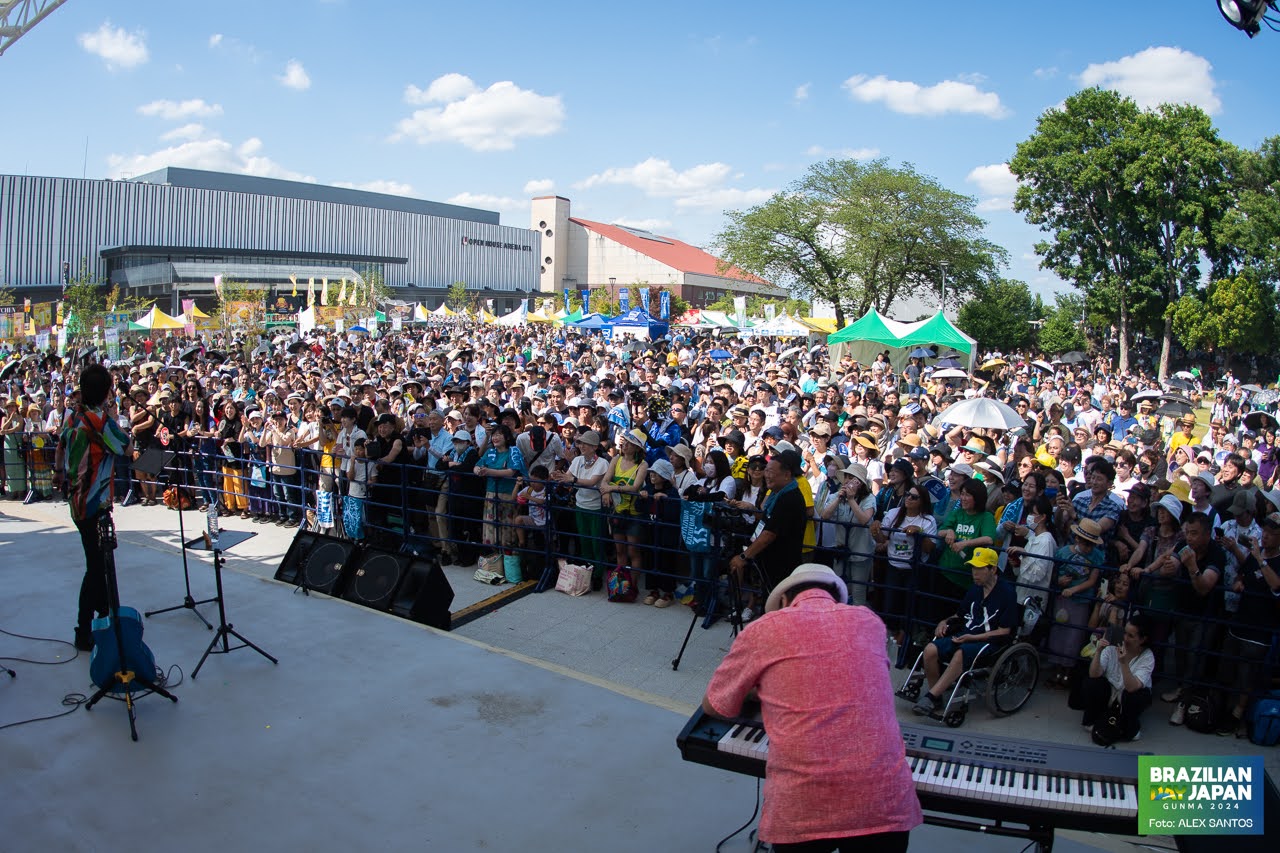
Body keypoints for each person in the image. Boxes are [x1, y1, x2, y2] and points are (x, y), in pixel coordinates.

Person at [702, 564, 921, 852]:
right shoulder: (870, 622)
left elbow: (715, 705)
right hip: (885, 801)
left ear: (783, 602)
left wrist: (761, 690)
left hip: (803, 807)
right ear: (836, 597)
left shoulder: (764, 629)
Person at [52, 364, 131, 651]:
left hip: (76, 501)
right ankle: (84, 628)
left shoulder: (73, 417)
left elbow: (61, 448)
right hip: (94, 503)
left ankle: (101, 616)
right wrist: (113, 418)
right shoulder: (99, 421)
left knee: (97, 563)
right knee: (97, 568)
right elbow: (125, 446)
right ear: (107, 391)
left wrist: (59, 473)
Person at [912, 548, 1020, 717]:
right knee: (930, 650)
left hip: (988, 642)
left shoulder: (1007, 593)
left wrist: (973, 637)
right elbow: (959, 615)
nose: (974, 573)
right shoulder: (974, 589)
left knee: (961, 654)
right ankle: (936, 695)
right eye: (973, 569)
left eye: (979, 569)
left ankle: (931, 697)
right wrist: (944, 622)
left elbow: (1005, 630)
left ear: (992, 569)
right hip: (965, 634)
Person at [728, 450, 808, 595]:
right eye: (767, 471)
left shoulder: (789, 498)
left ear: (787, 474)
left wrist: (743, 556)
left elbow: (769, 534)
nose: (766, 475)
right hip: (768, 564)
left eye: (770, 471)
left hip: (782, 566)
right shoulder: (777, 494)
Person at [1080, 613, 1155, 743]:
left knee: (1134, 696)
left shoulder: (1147, 657)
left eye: (1131, 636)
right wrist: (1098, 652)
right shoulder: (1111, 647)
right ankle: (1093, 719)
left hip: (1128, 694)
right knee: (1091, 683)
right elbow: (1094, 675)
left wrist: (1123, 662)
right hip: (1110, 691)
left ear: (1142, 640)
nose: (1125, 638)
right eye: (1125, 633)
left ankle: (1130, 727)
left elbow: (1132, 688)